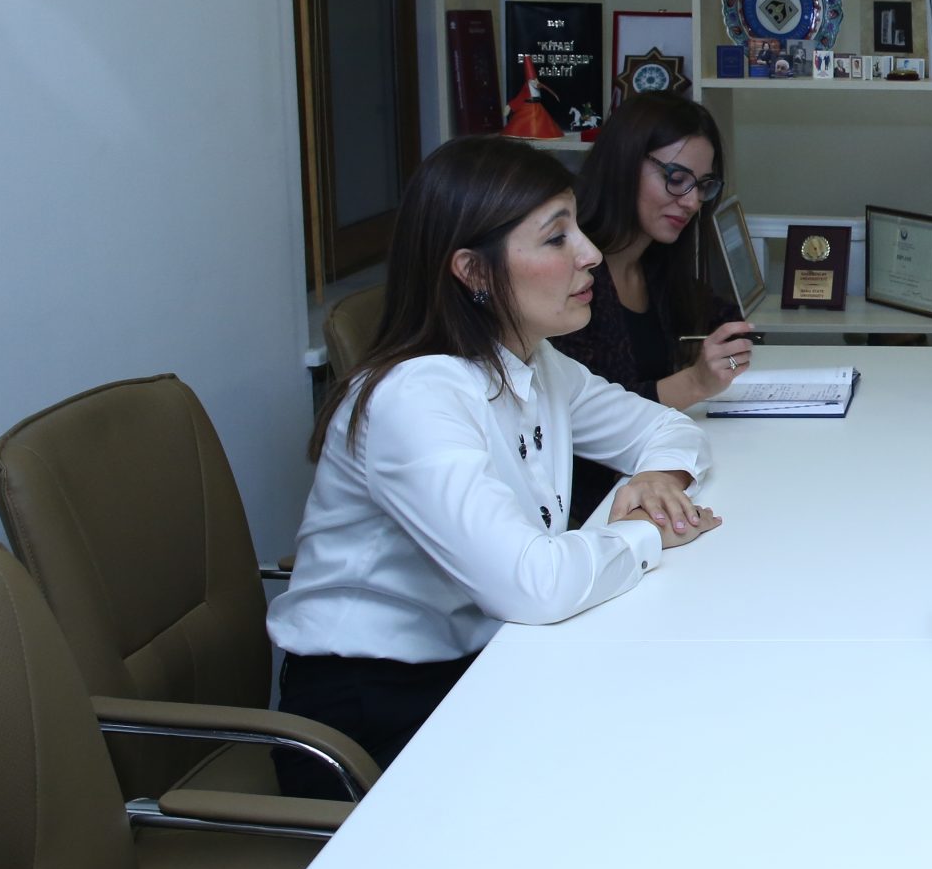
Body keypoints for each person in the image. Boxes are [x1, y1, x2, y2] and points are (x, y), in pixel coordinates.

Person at [269, 136, 717, 792]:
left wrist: (659, 479)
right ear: (473, 272)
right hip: (372, 718)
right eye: (557, 238)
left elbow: (667, 427)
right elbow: (533, 585)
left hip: (486, 660)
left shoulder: (532, 360)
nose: (591, 254)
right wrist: (646, 532)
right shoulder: (416, 398)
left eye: (578, 229)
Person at [555, 94, 758, 523]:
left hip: (648, 484)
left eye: (702, 186)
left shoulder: (654, 263)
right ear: (624, 163)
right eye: (676, 178)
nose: (692, 201)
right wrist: (694, 382)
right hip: (590, 511)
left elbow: (723, 317)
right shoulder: (569, 281)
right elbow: (590, 422)